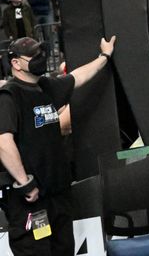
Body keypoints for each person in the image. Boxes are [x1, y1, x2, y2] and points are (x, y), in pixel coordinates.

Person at [0, 35, 115, 256]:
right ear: (15, 63)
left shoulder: (46, 87)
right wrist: (25, 183)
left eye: (41, 54)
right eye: (33, 56)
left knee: (63, 249)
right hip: (32, 201)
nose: (40, 59)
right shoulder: (9, 95)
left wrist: (105, 56)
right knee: (37, 250)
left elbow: (78, 77)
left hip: (58, 194)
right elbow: (3, 142)